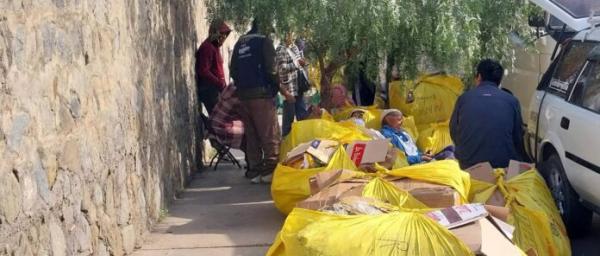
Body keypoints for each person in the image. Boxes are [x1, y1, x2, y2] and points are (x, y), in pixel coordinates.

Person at [450, 59, 529, 169]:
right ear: (500, 80)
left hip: (468, 164)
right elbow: (517, 137)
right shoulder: (512, 101)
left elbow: (454, 132)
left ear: (479, 77)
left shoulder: (464, 99)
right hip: (503, 165)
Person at [230, 19, 280, 183]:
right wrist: (275, 88)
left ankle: (254, 170)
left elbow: (233, 69)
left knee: (252, 135)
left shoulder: (240, 42)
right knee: (269, 134)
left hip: (244, 96)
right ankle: (269, 171)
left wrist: (241, 87)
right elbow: (272, 69)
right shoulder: (264, 41)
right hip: (261, 94)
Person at [380, 109, 454, 165]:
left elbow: (415, 151)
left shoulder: (403, 133)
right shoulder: (387, 135)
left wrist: (424, 154)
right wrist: (420, 158)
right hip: (413, 164)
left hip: (419, 160)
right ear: (388, 119)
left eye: (402, 120)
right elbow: (399, 160)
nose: (401, 122)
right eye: (399, 120)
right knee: (448, 156)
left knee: (451, 149)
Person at [195, 20, 232, 115]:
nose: (224, 38)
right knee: (220, 119)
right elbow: (203, 70)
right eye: (222, 34)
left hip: (216, 90)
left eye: (225, 35)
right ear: (215, 33)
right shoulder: (208, 47)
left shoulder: (214, 48)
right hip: (210, 90)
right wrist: (218, 82)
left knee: (223, 118)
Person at [277, 32, 309, 136]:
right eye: (289, 34)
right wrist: (297, 64)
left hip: (298, 87)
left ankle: (303, 140)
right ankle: (286, 143)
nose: (292, 36)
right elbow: (282, 69)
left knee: (303, 116)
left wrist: (303, 64)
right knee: (288, 120)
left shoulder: (294, 47)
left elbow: (300, 63)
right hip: (289, 90)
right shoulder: (280, 49)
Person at [210, 84, 244, 150]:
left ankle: (251, 157)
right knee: (250, 135)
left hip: (213, 123)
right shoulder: (240, 94)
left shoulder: (231, 86)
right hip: (220, 129)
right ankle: (252, 158)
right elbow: (247, 115)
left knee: (247, 130)